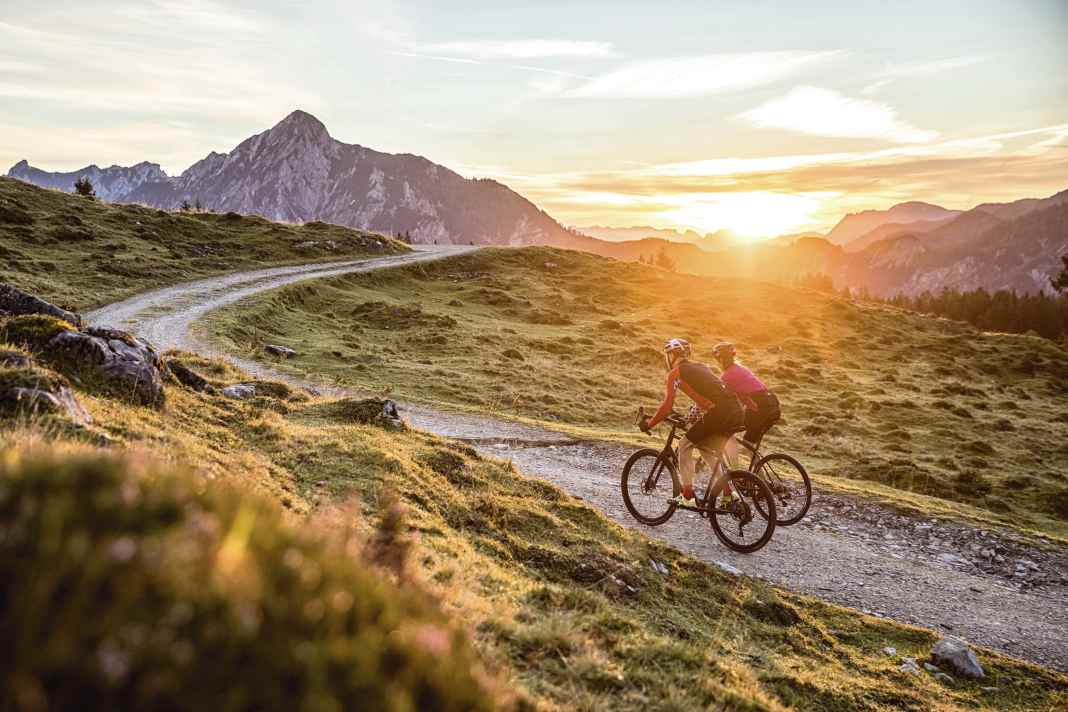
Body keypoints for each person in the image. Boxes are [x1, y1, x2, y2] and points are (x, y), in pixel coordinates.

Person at [639, 338, 745, 508]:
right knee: (705, 448)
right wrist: (689, 419)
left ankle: (687, 496)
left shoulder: (676, 373)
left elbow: (667, 406)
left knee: (684, 444)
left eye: (667, 355)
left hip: (721, 411)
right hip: (737, 411)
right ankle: (728, 493)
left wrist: (649, 424)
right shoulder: (701, 367)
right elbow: (705, 400)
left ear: (672, 355)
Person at [712, 342, 780, 447]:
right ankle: (757, 463)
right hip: (772, 405)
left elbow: (719, 399)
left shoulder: (727, 375)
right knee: (746, 443)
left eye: (717, 360)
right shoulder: (741, 369)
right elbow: (742, 399)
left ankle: (732, 462)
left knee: (728, 432)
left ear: (720, 359)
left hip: (762, 407)